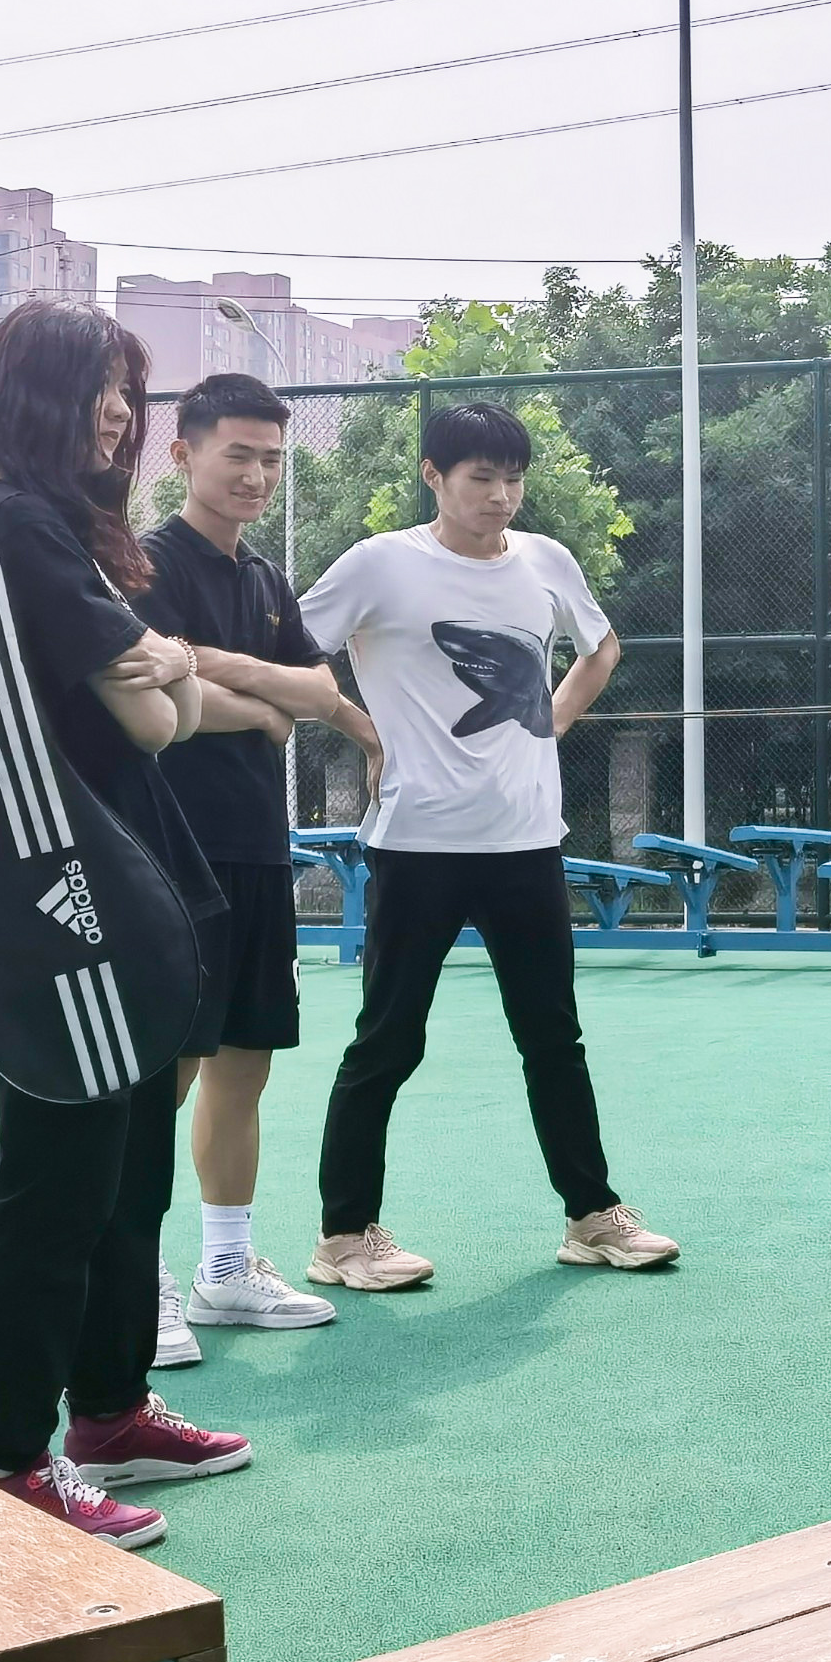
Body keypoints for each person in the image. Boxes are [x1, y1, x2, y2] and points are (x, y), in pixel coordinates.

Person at [0, 302, 249, 1546]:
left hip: (125, 877)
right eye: (98, 386)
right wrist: (168, 670)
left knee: (125, 1171)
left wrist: (166, 669)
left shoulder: (50, 522)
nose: (119, 412)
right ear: (33, 391)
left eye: (127, 388)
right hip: (56, 893)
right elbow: (154, 716)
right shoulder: (4, 519)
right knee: (52, 1182)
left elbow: (165, 694)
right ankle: (8, 1455)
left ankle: (110, 1412)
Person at [302, 401, 672, 1283]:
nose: (501, 496)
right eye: (481, 478)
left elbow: (601, 647)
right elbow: (293, 649)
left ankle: (592, 1215)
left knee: (553, 1037)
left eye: (514, 479)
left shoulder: (546, 560)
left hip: (527, 841)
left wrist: (553, 719)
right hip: (416, 844)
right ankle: (343, 1236)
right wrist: (363, 728)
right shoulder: (380, 563)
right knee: (387, 1041)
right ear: (433, 475)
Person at [128, 372, 379, 1363]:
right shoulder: (146, 563)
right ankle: (136, 1281)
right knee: (166, 1072)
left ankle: (225, 1270)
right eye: (238, 453)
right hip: (170, 851)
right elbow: (157, 686)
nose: (257, 475)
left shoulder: (268, 580)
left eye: (272, 459)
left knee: (245, 1063)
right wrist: (265, 698)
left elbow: (316, 689)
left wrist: (213, 669)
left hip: (257, 851)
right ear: (182, 453)